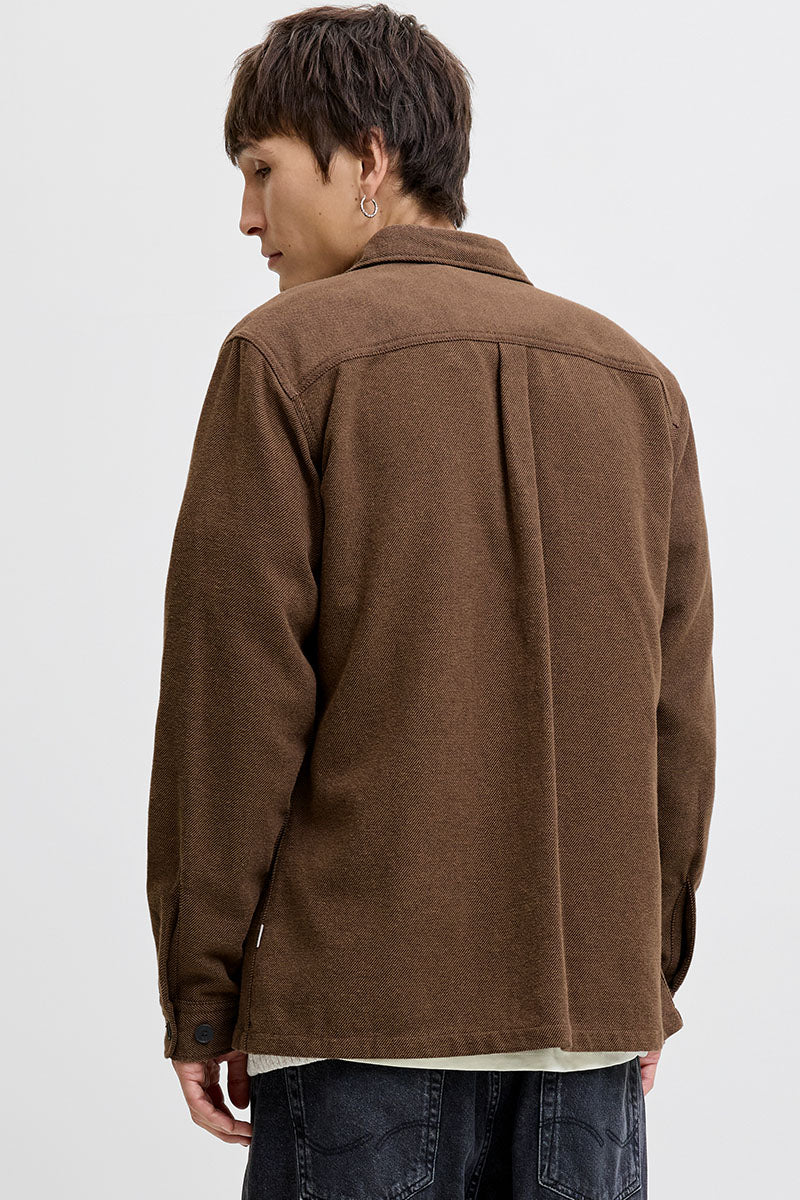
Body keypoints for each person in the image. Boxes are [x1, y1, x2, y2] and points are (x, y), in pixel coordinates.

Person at [146, 5, 716, 1197]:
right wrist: (640, 980)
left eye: (261, 170)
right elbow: (674, 726)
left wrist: (203, 995)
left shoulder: (283, 359)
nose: (245, 216)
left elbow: (232, 711)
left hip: (357, 1027)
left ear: (368, 159)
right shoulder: (634, 383)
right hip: (585, 1034)